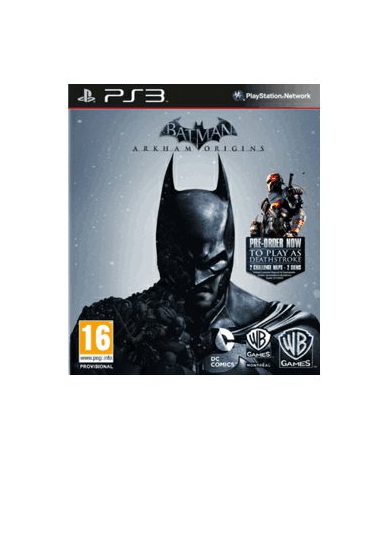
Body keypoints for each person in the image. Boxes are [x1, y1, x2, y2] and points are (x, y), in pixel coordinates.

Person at [71, 157, 319, 374]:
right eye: (180, 264)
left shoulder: (287, 329)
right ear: (162, 254)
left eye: (211, 263)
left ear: (230, 252)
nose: (195, 279)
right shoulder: (111, 322)